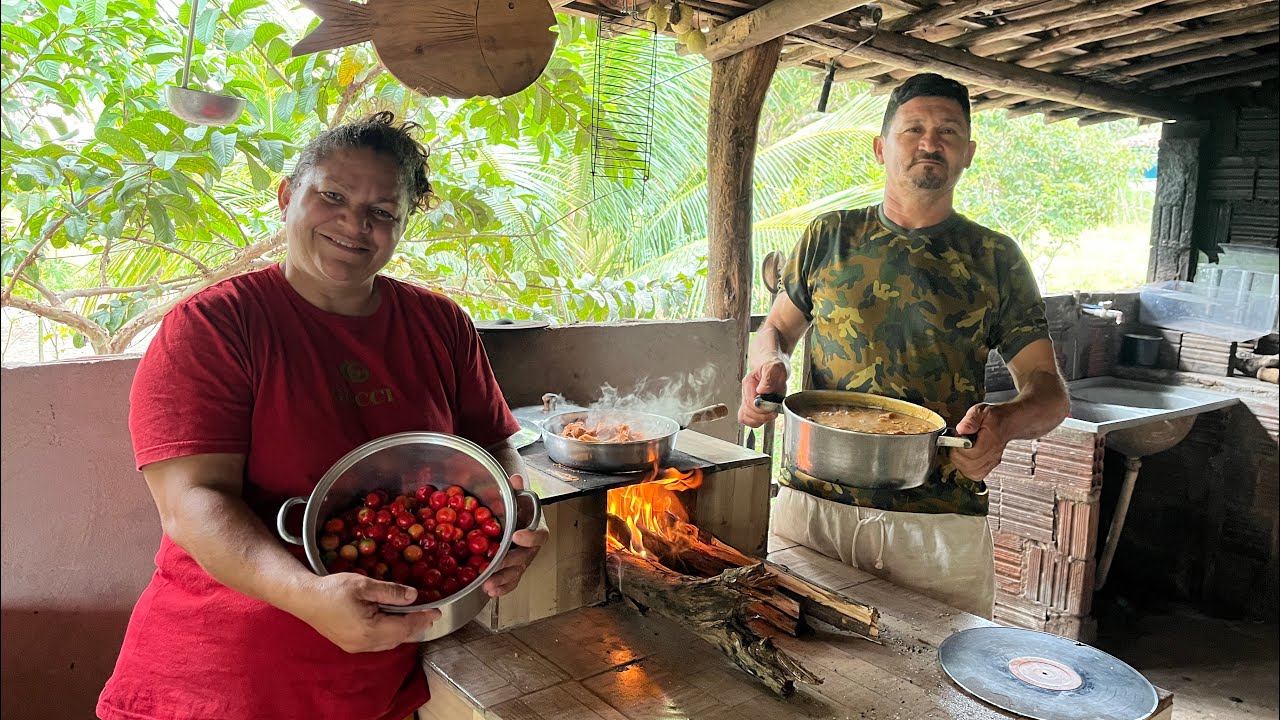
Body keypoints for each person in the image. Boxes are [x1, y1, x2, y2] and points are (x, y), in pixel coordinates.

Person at [97, 112, 548, 720]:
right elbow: (192, 504)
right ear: (288, 196)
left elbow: (495, 453)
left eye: (382, 212)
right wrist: (307, 595)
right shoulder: (215, 327)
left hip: (379, 684)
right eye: (332, 195)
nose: (354, 224)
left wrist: (518, 518)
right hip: (224, 683)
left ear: (402, 226)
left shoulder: (442, 326)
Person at [738, 74, 1069, 619]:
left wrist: (1005, 422)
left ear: (968, 153)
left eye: (948, 132)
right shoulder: (830, 237)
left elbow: (1049, 390)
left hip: (937, 523)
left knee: (938, 690)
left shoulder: (995, 258)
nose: (929, 143)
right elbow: (773, 330)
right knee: (794, 662)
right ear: (881, 148)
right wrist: (768, 368)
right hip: (814, 504)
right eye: (913, 129)